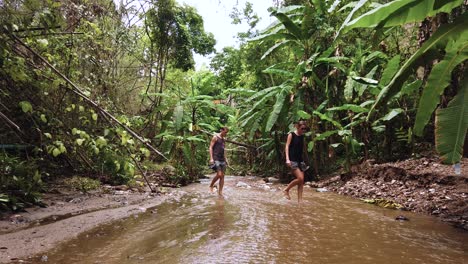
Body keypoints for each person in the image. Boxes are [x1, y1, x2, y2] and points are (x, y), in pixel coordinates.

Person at [283, 120, 309, 202]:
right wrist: (287, 159)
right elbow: (287, 146)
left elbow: (302, 148)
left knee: (301, 182)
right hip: (292, 159)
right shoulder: (291, 135)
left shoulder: (302, 136)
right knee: (300, 178)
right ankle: (286, 189)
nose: (303, 130)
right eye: (302, 128)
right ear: (297, 127)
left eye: (305, 129)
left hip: (300, 160)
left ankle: (300, 201)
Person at [209, 127, 229, 196]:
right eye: (225, 132)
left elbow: (224, 149)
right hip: (216, 158)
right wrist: (211, 158)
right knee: (219, 174)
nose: (226, 134)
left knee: (222, 176)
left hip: (222, 159)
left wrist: (226, 159)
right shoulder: (215, 137)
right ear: (221, 130)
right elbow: (211, 147)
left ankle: (220, 192)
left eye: (227, 133)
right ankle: (211, 185)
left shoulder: (224, 140)